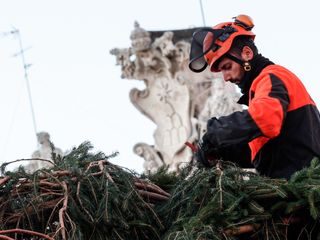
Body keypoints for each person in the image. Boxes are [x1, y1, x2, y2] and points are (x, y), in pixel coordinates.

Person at [188, 14, 320, 180]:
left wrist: (215, 132)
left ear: (247, 53)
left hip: (305, 185)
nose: (226, 77)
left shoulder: (272, 77)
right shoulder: (262, 91)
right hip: (292, 187)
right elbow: (262, 151)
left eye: (227, 67)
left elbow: (265, 119)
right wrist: (220, 152)